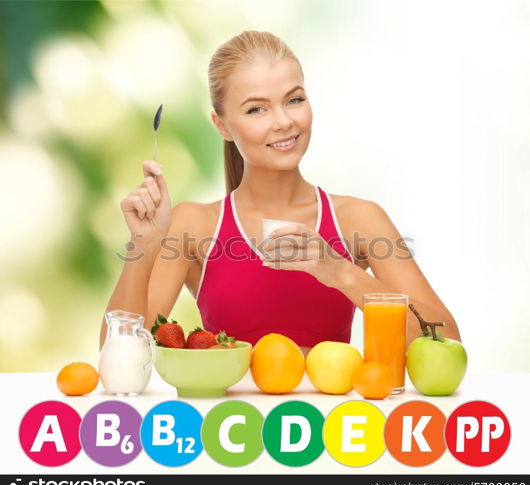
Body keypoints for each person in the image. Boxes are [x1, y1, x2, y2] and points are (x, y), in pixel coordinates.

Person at [99, 30, 461, 354]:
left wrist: (341, 272)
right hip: (229, 425)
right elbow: (120, 357)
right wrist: (143, 246)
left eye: (294, 100)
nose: (284, 121)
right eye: (257, 109)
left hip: (329, 424)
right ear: (221, 125)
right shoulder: (194, 224)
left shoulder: (359, 219)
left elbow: (446, 342)